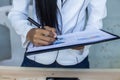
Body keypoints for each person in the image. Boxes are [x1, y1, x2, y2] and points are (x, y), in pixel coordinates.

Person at [8, 0, 107, 68]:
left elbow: (96, 20)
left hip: (75, 60)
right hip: (36, 58)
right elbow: (17, 13)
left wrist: (85, 41)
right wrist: (28, 32)